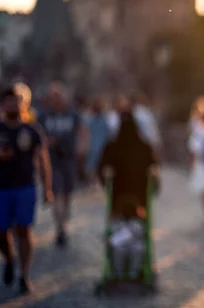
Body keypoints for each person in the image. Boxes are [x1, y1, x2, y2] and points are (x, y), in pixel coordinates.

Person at [0, 88, 53, 294]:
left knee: (24, 230)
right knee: (2, 232)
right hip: (2, 188)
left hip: (25, 187)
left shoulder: (32, 130)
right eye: (9, 101)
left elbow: (43, 159)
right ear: (3, 105)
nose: (13, 105)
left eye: (17, 101)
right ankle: (9, 258)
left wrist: (48, 188)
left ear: (24, 103)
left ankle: (24, 274)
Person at [98, 111, 159, 280]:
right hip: (133, 200)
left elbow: (102, 167)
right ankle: (127, 271)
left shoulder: (114, 146)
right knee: (131, 236)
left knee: (128, 237)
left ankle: (128, 271)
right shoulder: (142, 146)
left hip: (125, 199)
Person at [38, 82, 86, 247]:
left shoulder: (72, 114)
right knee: (56, 193)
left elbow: (82, 131)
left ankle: (64, 223)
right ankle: (60, 228)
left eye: (58, 97)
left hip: (69, 159)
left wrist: (81, 149)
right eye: (53, 97)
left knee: (67, 195)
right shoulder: (44, 116)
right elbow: (38, 136)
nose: (56, 100)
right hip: (52, 161)